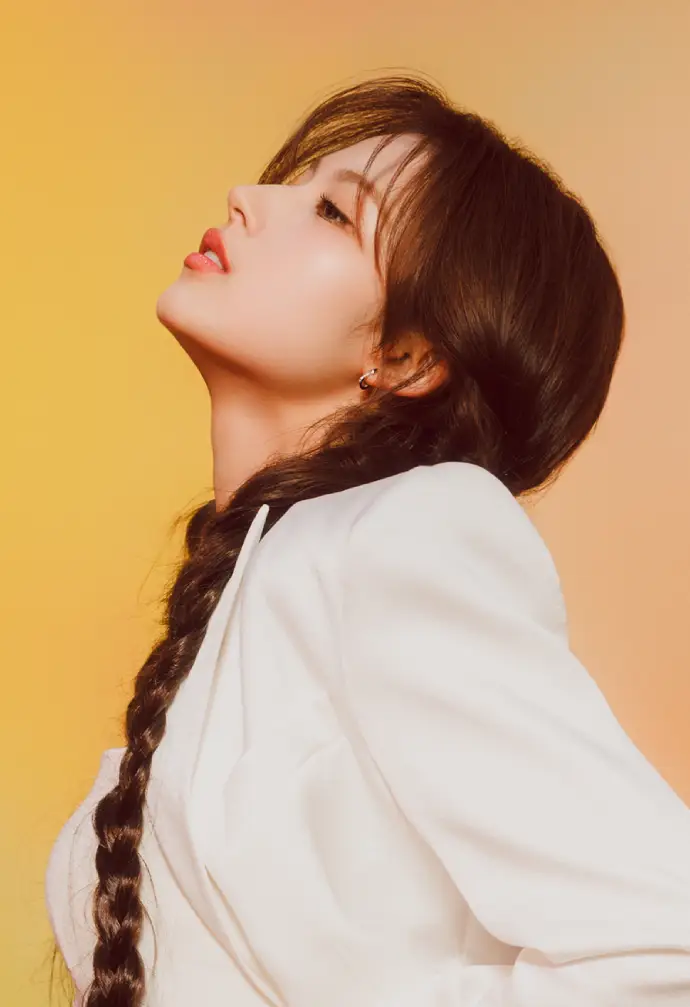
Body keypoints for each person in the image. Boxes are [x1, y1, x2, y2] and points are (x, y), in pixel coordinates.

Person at [45, 74, 690, 1007]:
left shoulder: (412, 529)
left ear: (407, 357)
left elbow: (664, 940)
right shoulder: (256, 587)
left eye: (333, 212)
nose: (246, 198)